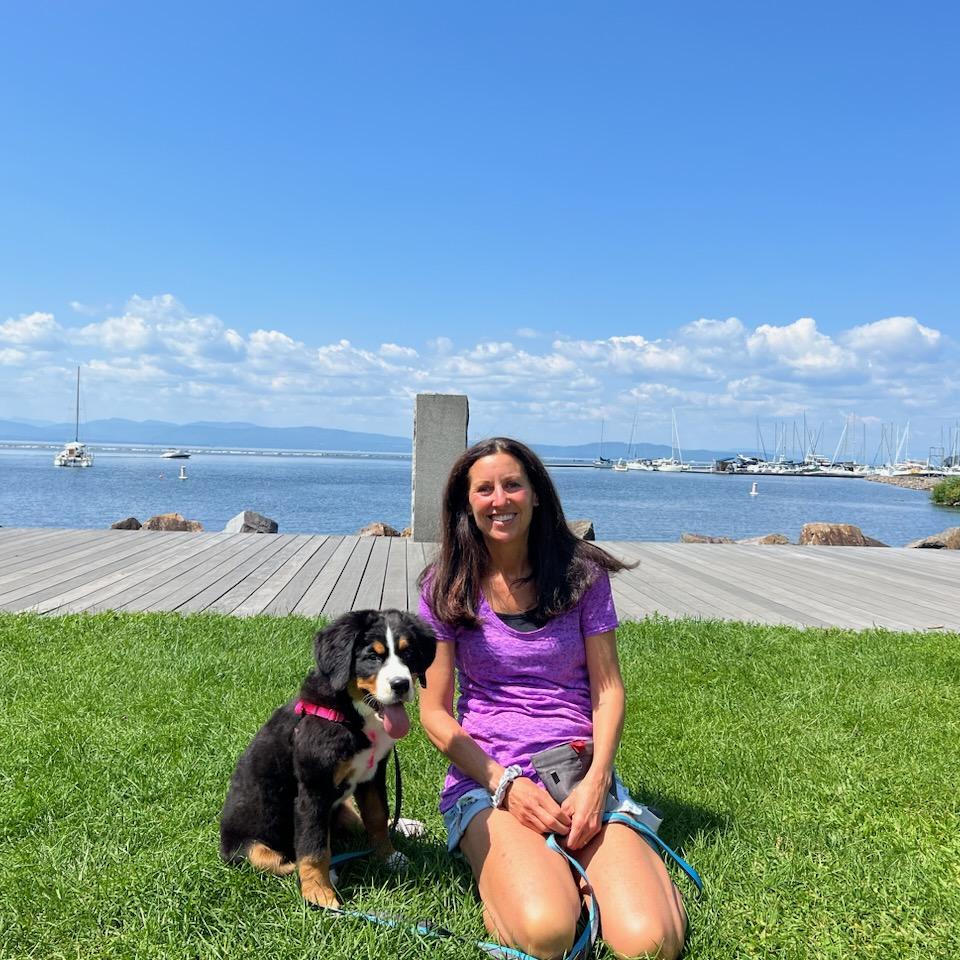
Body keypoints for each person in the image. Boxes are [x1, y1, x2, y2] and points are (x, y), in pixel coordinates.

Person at [418, 437, 688, 960]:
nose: (500, 499)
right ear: (466, 503)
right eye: (484, 489)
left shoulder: (582, 575)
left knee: (652, 943)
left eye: (512, 484)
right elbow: (433, 713)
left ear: (536, 493)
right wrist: (504, 784)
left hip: (577, 774)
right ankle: (532, 875)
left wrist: (598, 780)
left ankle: (581, 870)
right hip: (491, 782)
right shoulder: (445, 585)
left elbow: (608, 690)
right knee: (548, 933)